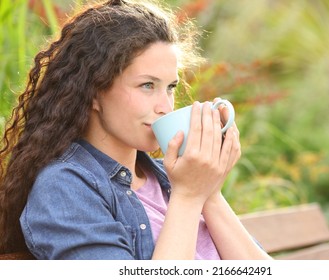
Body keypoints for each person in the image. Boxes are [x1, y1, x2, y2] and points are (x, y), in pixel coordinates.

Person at [0, 0, 272, 260]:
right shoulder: (65, 188)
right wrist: (188, 197)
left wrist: (209, 192)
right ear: (93, 91)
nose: (165, 106)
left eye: (170, 87)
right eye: (147, 86)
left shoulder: (171, 177)